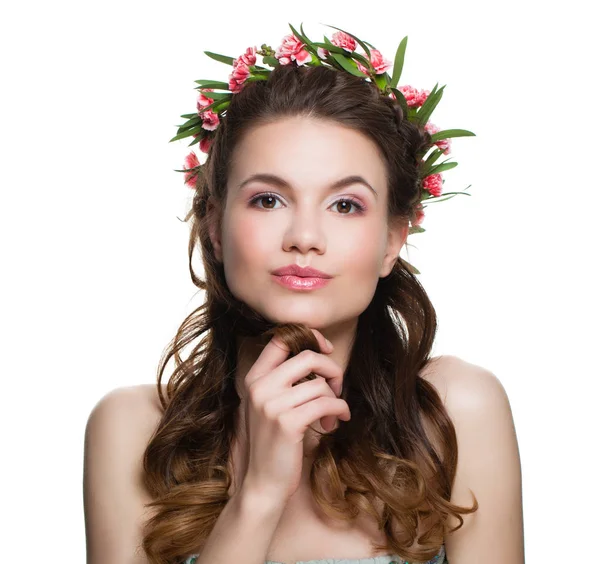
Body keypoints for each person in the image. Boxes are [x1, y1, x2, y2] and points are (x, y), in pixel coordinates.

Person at [83, 24, 524, 564]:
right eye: (268, 200)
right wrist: (256, 497)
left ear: (393, 240)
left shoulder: (457, 413)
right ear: (216, 225)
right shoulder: (132, 430)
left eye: (346, 205)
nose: (305, 238)